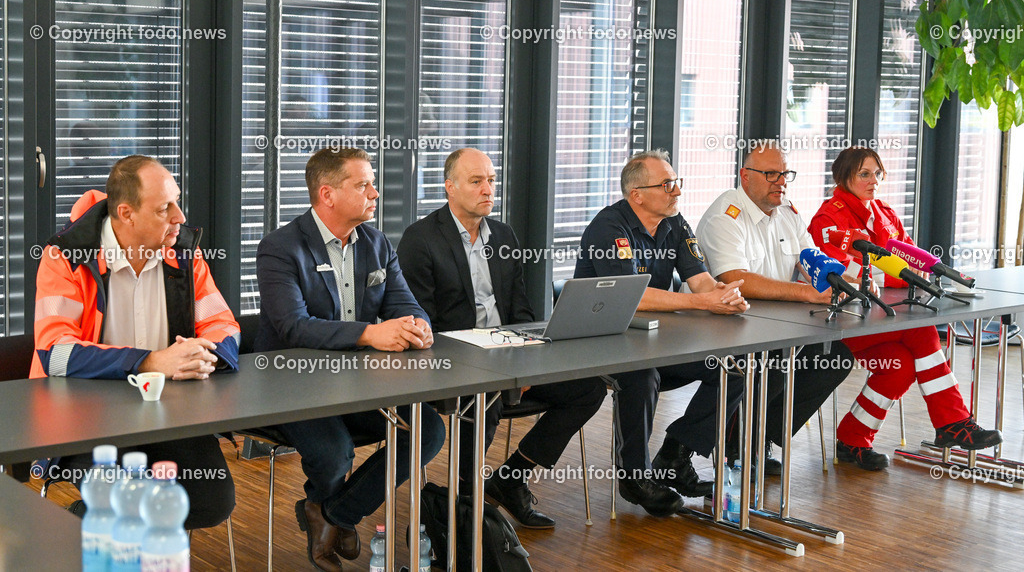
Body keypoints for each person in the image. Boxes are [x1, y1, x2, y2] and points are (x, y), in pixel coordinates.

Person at [255, 147, 445, 572]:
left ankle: (331, 513)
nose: (374, 193)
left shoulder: (377, 245)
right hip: (291, 383)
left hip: (360, 381)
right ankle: (329, 510)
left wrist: (419, 327)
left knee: (428, 429)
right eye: (362, 185)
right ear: (327, 194)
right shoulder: (280, 248)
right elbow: (293, 327)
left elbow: (407, 307)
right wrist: (369, 332)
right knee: (335, 453)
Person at [397, 148, 606, 529]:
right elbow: (420, 320)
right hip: (453, 361)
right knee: (486, 393)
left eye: (491, 180)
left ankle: (510, 479)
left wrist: (525, 360)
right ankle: (465, 498)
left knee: (588, 388)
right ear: (450, 187)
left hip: (509, 353)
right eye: (476, 181)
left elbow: (521, 312)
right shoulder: (420, 239)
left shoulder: (504, 234)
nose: (487, 189)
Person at [32, 155, 238, 529]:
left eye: (176, 201)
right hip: (81, 419)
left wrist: (206, 355)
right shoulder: (65, 257)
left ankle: (104, 527)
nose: (179, 216)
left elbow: (223, 324)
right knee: (130, 502)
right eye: (164, 208)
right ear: (126, 214)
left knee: (213, 501)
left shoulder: (184, 253)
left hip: (167, 414)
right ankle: (95, 525)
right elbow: (55, 354)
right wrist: (151, 362)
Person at [575, 150, 749, 517]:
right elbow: (630, 297)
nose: (676, 192)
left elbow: (699, 280)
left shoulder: (675, 222)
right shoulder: (609, 228)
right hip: (604, 343)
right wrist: (704, 303)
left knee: (731, 366)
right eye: (667, 185)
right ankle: (634, 477)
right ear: (637, 194)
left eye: (676, 183)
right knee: (641, 375)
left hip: (658, 339)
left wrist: (723, 295)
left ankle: (675, 454)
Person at [808, 146, 1001, 469]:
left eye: (877, 174)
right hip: (841, 324)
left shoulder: (884, 213)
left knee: (898, 365)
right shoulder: (829, 218)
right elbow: (851, 275)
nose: (874, 181)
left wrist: (910, 274)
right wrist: (893, 275)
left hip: (884, 322)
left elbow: (912, 263)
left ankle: (853, 441)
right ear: (843, 178)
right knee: (923, 332)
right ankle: (952, 422)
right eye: (864, 174)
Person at [696, 142, 855, 469]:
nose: (780, 181)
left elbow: (809, 260)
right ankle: (734, 444)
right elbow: (735, 278)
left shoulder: (788, 212)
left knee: (836, 356)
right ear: (745, 176)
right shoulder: (725, 216)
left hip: (779, 323)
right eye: (770, 174)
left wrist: (842, 280)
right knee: (772, 360)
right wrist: (806, 295)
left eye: (784, 174)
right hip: (726, 324)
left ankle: (760, 435)